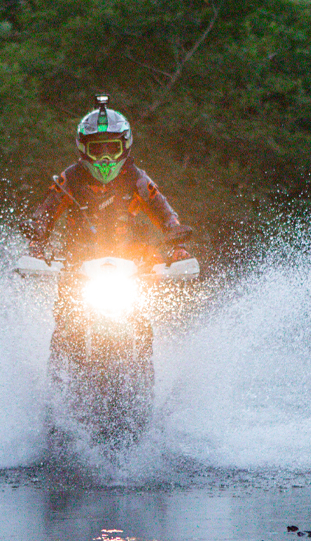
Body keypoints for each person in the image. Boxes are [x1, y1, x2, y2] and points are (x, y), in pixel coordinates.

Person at [24, 95, 193, 362]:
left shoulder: (137, 179)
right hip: (78, 266)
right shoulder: (70, 179)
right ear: (83, 149)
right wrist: (35, 244)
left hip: (129, 266)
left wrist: (178, 245)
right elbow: (43, 215)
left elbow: (165, 213)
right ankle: (57, 391)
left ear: (124, 147)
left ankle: (143, 384)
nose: (104, 157)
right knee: (66, 325)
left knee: (141, 323)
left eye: (111, 148)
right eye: (97, 149)